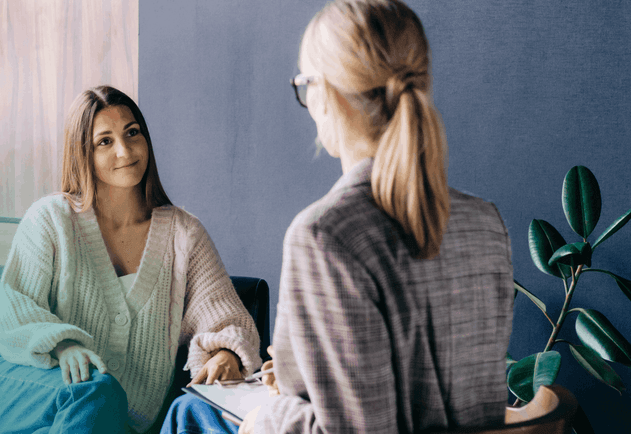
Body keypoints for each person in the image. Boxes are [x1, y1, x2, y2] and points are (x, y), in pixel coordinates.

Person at [161, 1, 514, 433]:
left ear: (326, 92)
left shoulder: (325, 235)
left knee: (190, 414)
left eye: (306, 82)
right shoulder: (486, 223)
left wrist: (265, 418)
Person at [0, 85, 263, 434]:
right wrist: (63, 345)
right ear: (84, 152)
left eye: (132, 133)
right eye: (105, 141)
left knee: (99, 404)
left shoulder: (184, 234)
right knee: (96, 394)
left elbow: (224, 316)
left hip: (108, 417)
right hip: (25, 384)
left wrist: (226, 355)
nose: (125, 150)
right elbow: (14, 310)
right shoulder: (50, 219)